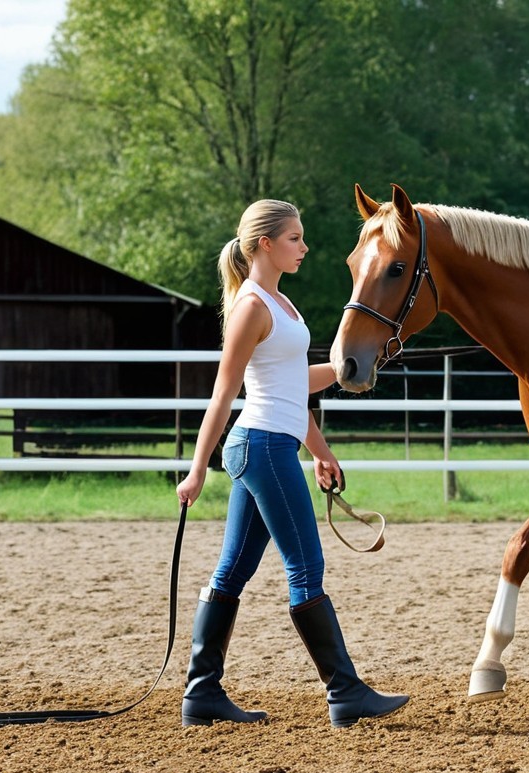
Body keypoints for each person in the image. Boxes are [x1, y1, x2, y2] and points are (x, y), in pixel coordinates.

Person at [175, 199, 408, 728]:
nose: (304, 248)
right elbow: (223, 393)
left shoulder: (284, 305)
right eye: (295, 239)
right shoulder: (252, 307)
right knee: (306, 567)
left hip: (272, 444)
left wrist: (325, 441)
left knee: (233, 570)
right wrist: (195, 469)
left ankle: (201, 693)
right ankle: (345, 693)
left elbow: (293, 386)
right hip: (260, 446)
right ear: (264, 244)